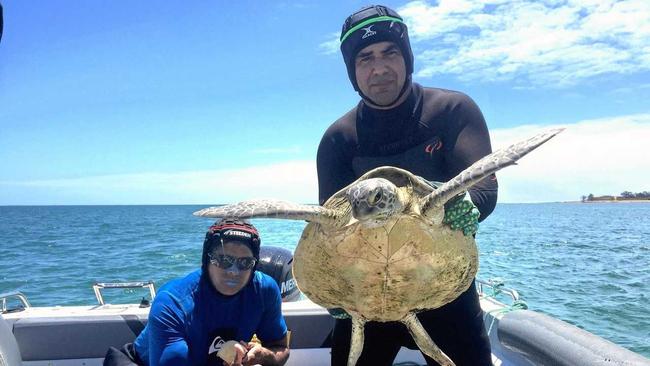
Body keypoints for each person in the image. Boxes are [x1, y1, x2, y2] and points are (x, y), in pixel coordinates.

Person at [317, 5, 498, 366]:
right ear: (352, 70)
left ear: (408, 56)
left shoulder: (452, 110)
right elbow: (331, 224)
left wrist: (461, 202)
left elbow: (485, 187)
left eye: (390, 53)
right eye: (365, 58)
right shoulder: (338, 139)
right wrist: (331, 285)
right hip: (367, 295)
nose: (379, 69)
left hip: (445, 286)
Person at [104, 218, 290, 366]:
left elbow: (280, 348)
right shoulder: (172, 303)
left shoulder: (265, 291)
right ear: (206, 260)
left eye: (245, 263)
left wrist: (263, 356)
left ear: (254, 265)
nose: (234, 271)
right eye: (223, 260)